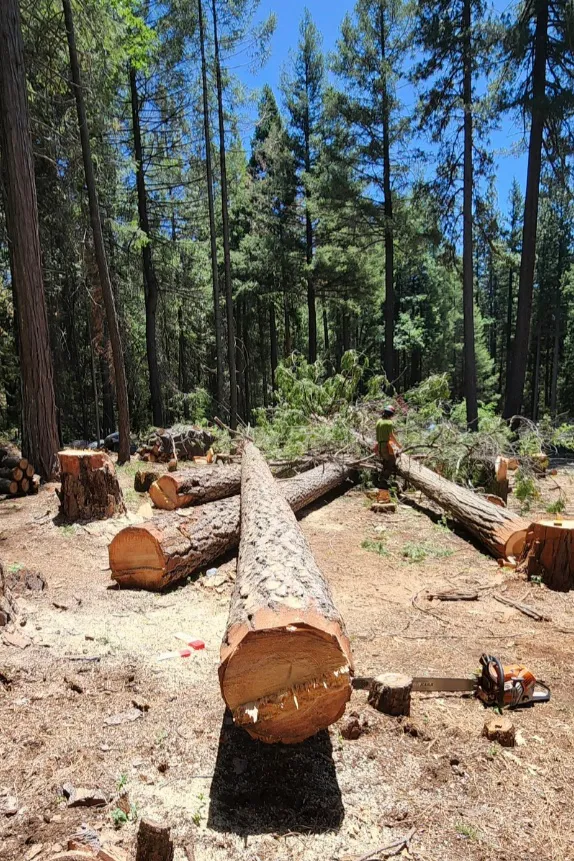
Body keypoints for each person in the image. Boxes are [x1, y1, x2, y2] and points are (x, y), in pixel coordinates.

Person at [375, 405, 400, 485]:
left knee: (386, 462)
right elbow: (391, 436)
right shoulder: (389, 423)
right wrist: (399, 445)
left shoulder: (378, 421)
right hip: (385, 446)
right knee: (392, 461)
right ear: (391, 415)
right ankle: (383, 481)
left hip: (379, 446)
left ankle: (380, 479)